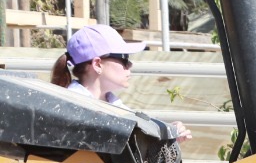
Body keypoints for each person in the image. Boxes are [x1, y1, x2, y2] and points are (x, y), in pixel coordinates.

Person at [51, 23, 190, 140]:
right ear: (97, 64)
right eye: (124, 58)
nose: (130, 65)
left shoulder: (114, 105)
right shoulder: (71, 109)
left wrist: (169, 135)